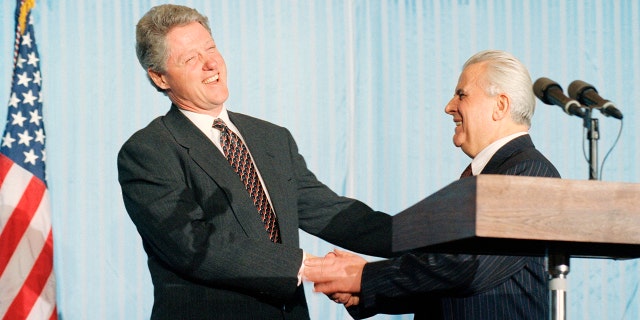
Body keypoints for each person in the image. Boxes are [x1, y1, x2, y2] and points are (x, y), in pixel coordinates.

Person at [117, 4, 394, 319]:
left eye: (211, 48)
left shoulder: (271, 138)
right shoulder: (148, 151)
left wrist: (423, 239)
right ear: (159, 77)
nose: (211, 64)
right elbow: (193, 245)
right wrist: (311, 267)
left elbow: (331, 213)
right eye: (191, 58)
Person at [304, 50, 561, 319]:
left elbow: (469, 268)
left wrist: (364, 277)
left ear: (500, 106)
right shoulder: (486, 177)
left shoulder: (531, 173)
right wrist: (363, 293)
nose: (449, 106)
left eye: (462, 94)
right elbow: (444, 282)